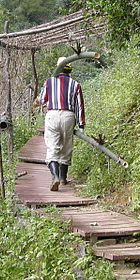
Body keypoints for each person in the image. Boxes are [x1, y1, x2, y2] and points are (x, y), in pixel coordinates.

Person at [35, 57, 85, 191]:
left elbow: (41, 99)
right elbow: (79, 106)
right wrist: (81, 125)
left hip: (52, 115)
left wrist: (36, 102)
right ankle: (63, 178)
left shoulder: (49, 81)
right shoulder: (76, 84)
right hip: (68, 116)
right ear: (69, 69)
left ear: (57, 68)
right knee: (66, 146)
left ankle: (54, 177)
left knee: (52, 147)